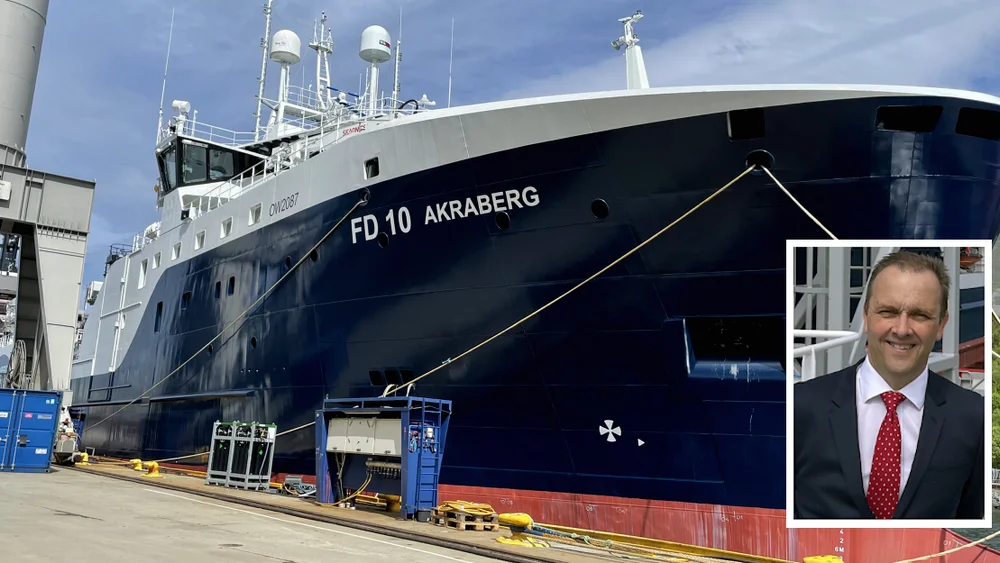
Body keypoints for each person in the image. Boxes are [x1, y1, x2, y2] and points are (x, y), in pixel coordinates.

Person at [793, 250, 984, 520]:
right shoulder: (801, 406)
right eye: (888, 311)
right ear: (866, 317)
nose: (902, 329)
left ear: (941, 325)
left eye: (920, 315)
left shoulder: (974, 418)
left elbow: (969, 520)